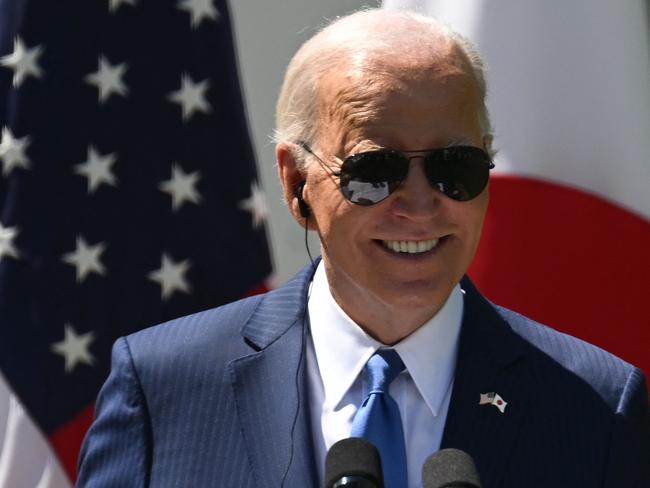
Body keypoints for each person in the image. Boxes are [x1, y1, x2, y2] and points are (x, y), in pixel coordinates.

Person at [76, 8, 650, 488]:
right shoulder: (162, 385)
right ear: (297, 182)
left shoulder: (597, 407)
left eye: (457, 167)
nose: (421, 206)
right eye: (375, 170)